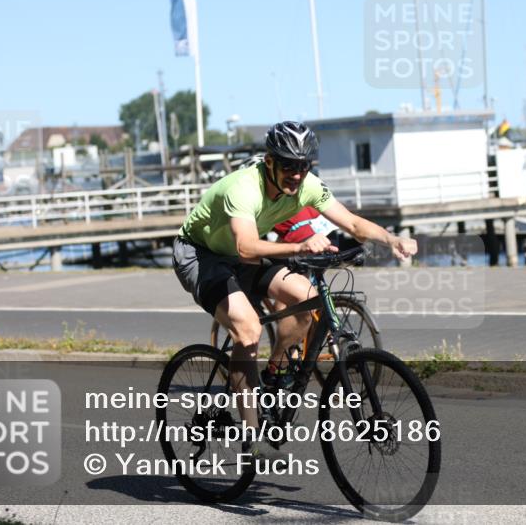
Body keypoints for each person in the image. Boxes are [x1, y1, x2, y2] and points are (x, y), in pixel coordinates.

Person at [172, 121, 417, 460]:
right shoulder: (243, 187)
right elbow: (245, 247)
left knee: (308, 300)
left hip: (242, 256)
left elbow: (354, 224)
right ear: (269, 161)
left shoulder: (308, 186)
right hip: (201, 255)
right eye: (288, 164)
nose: (297, 174)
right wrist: (300, 248)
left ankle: (274, 373)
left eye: (303, 166)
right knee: (248, 329)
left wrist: (392, 239)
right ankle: (252, 436)